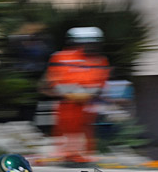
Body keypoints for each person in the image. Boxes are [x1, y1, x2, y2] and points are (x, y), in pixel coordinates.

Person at [40, 27, 110, 164]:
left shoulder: (100, 60)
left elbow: (100, 83)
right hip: (68, 105)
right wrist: (75, 94)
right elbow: (54, 81)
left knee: (84, 133)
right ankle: (68, 157)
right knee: (67, 132)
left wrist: (83, 94)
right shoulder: (62, 57)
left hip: (85, 106)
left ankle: (80, 157)